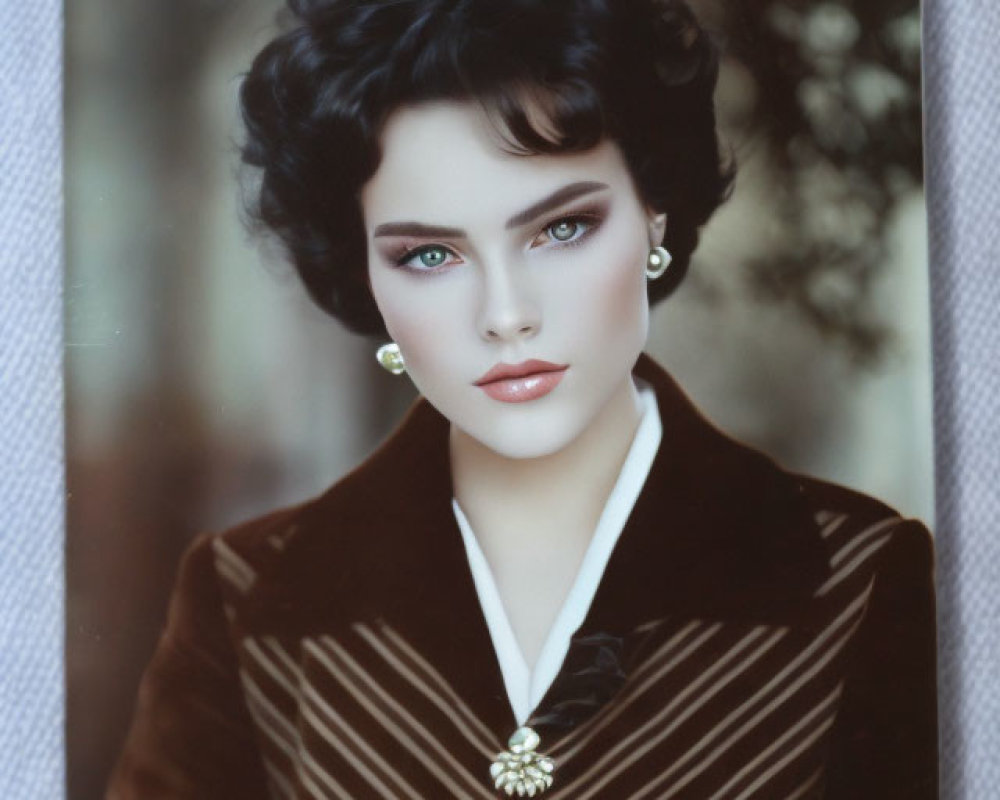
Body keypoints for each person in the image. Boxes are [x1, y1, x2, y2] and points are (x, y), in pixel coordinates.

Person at [109, 0, 937, 797]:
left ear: (654, 212)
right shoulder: (249, 599)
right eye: (430, 256)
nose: (506, 315)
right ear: (363, 272)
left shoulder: (855, 582)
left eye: (561, 228)